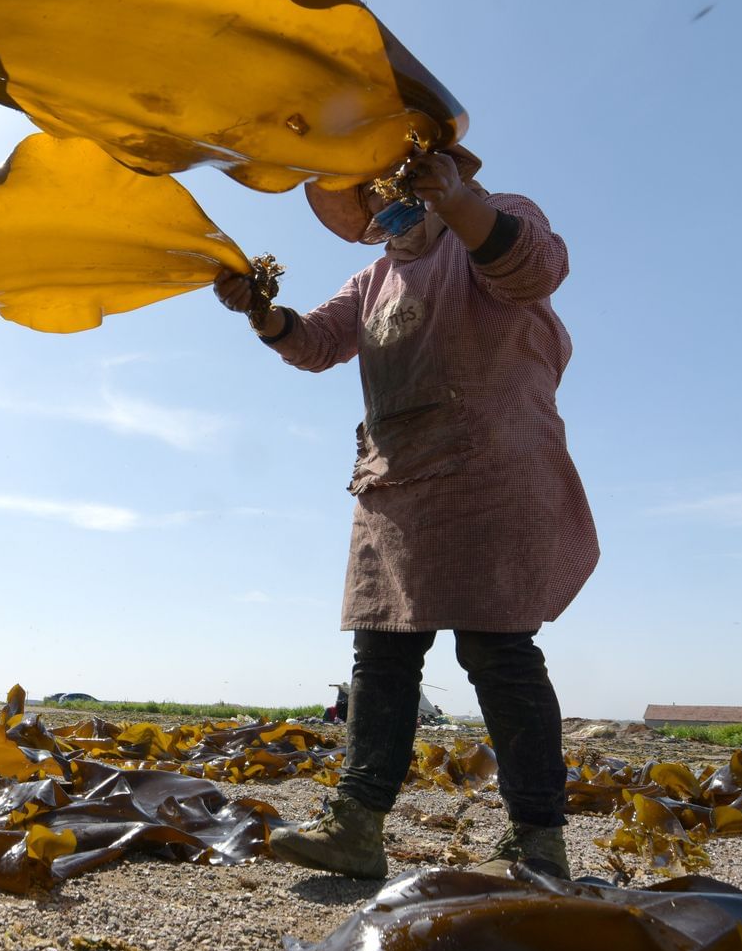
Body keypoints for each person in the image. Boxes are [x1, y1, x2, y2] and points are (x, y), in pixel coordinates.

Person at [213, 147, 597, 879]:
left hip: (491, 467)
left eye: (394, 200)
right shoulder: (372, 279)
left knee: (498, 652)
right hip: (396, 481)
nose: (385, 220)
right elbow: (318, 342)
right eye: (372, 213)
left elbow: (534, 270)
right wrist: (264, 315)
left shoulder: (497, 216)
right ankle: (357, 824)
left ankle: (538, 840)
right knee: (381, 653)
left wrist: (457, 200)